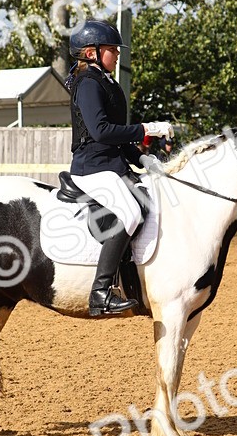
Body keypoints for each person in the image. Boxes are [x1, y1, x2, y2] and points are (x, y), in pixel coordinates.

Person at [65, 18, 173, 317]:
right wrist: (146, 129)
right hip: (92, 168)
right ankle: (100, 293)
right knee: (129, 213)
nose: (116, 54)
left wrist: (142, 159)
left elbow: (117, 137)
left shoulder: (106, 82)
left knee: (153, 202)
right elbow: (101, 132)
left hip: (111, 164)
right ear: (92, 53)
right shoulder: (88, 83)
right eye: (112, 49)